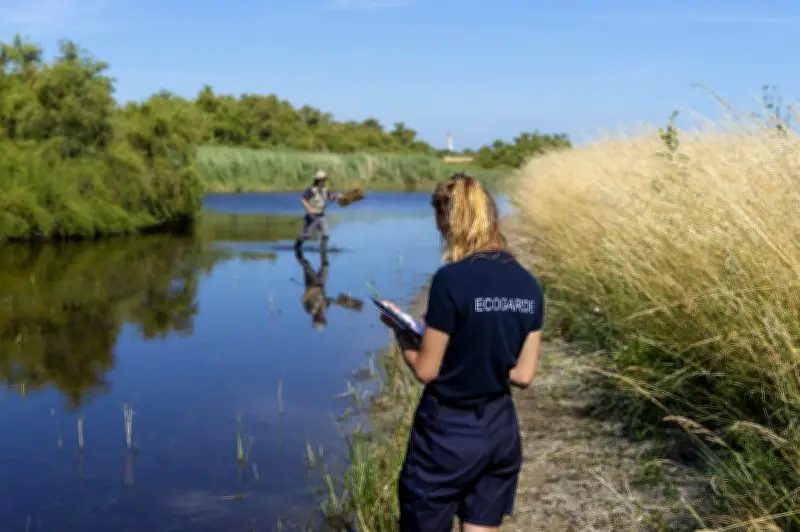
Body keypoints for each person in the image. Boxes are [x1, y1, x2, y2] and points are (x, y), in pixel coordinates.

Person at [379, 173, 544, 532]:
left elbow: (426, 370)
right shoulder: (527, 283)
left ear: (448, 220)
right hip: (500, 429)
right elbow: (523, 375)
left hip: (447, 433)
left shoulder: (450, 280)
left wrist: (402, 334)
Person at [294, 245, 363, 331]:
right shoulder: (324, 308)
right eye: (322, 320)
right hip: (321, 283)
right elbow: (328, 300)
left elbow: (303, 299)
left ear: (314, 319)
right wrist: (337, 303)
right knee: (325, 265)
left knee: (306, 265)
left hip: (311, 282)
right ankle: (323, 249)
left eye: (319, 320)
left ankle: (297, 251)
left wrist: (311, 291)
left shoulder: (310, 310)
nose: (320, 318)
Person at [294, 170, 343, 251]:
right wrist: (309, 208)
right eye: (321, 179)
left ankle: (323, 251)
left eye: (324, 179)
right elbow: (303, 199)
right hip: (312, 216)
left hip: (321, 215)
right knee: (306, 236)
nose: (323, 181)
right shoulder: (310, 190)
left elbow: (330, 197)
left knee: (326, 233)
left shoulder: (325, 190)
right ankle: (298, 244)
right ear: (317, 180)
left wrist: (337, 196)